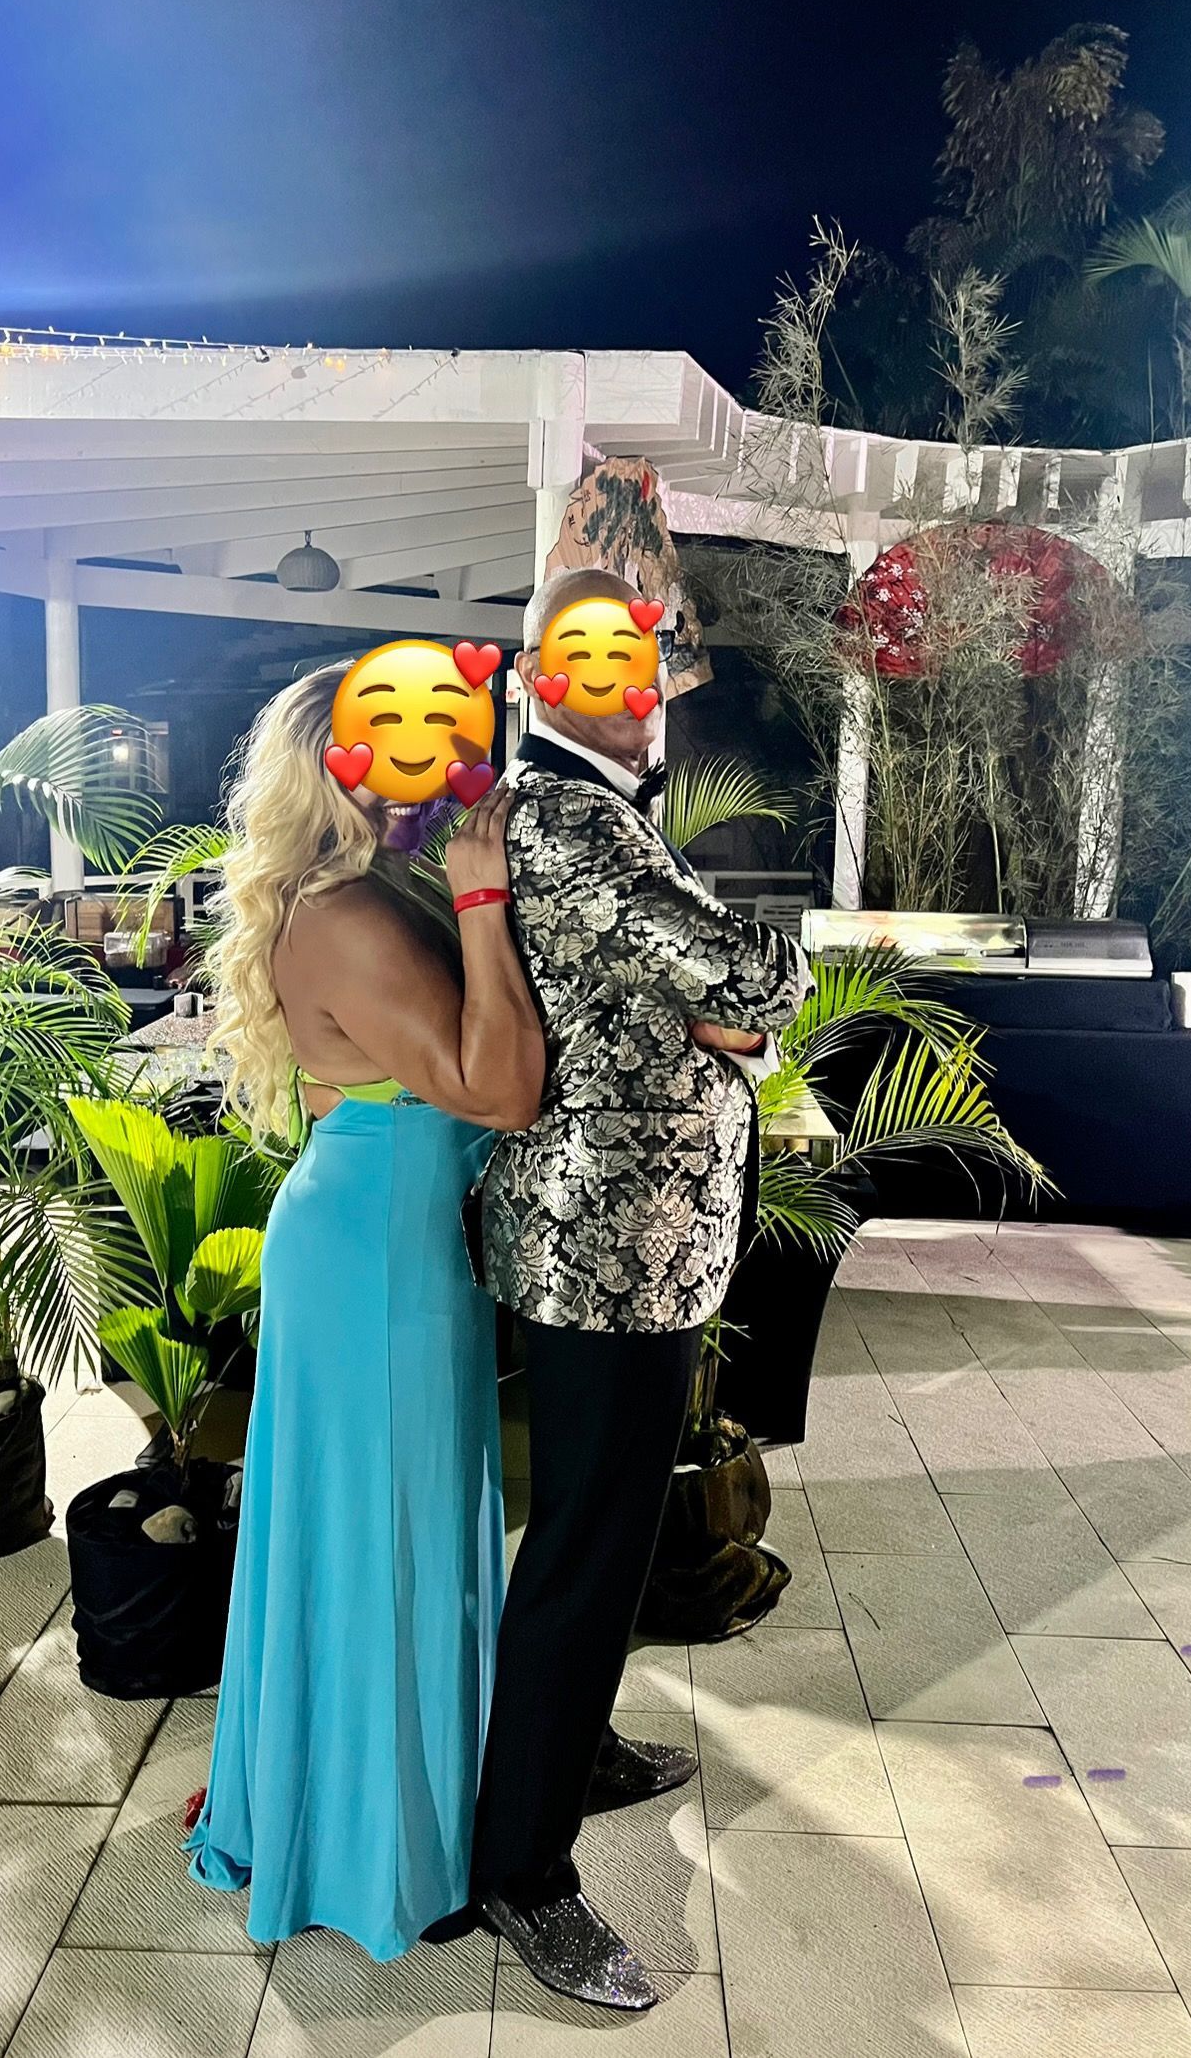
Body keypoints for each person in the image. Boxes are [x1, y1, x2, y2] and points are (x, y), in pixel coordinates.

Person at [473, 567, 811, 2011]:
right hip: (604, 1249)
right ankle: (523, 1872)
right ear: (542, 677)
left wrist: (721, 1012)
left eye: (646, 653)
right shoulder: (565, 817)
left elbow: (701, 991)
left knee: (603, 1538)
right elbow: (750, 974)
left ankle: (582, 1752)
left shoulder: (592, 809)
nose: (634, 680)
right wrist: (747, 996)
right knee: (585, 1551)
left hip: (633, 1240)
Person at [186, 662, 546, 1961]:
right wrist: (483, 897)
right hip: (376, 1260)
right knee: (381, 1543)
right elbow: (500, 1092)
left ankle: (354, 1808)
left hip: (384, 1241)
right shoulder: (346, 916)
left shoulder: (367, 895)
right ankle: (380, 1855)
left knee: (379, 1535)